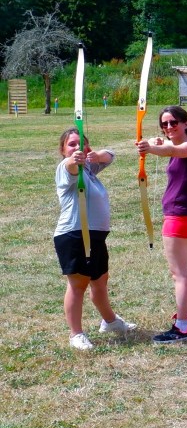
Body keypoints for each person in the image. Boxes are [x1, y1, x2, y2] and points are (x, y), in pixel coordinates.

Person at [137, 106, 187, 343]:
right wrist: (156, 142)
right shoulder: (179, 146)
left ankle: (182, 327)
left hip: (179, 218)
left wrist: (152, 148)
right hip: (185, 216)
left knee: (179, 274)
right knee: (185, 270)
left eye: (173, 122)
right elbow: (169, 147)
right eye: (164, 124)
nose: (169, 127)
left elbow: (174, 149)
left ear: (185, 123)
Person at [54, 128, 137, 351]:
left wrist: (96, 156)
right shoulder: (66, 168)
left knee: (100, 280)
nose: (77, 147)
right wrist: (75, 160)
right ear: (63, 150)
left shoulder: (89, 168)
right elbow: (72, 167)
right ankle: (76, 334)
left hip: (95, 235)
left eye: (82, 143)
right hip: (74, 234)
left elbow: (110, 155)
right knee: (78, 284)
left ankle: (110, 322)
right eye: (71, 144)